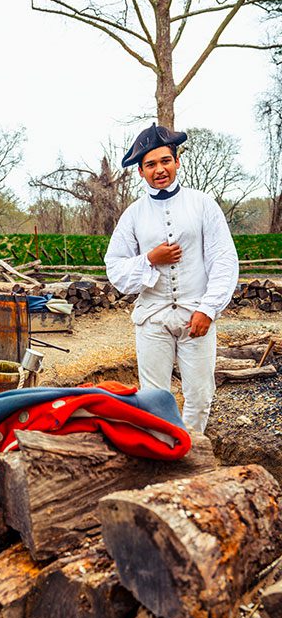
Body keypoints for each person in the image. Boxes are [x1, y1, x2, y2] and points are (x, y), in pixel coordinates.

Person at [104, 123, 239, 432]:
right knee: (153, 397)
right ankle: (163, 454)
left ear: (177, 162)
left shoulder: (203, 205)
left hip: (196, 315)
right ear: (141, 171)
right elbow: (115, 268)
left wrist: (208, 309)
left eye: (165, 161)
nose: (159, 169)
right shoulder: (133, 215)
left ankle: (191, 452)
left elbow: (223, 259)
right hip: (152, 318)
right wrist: (150, 259)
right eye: (150, 164)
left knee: (201, 395)